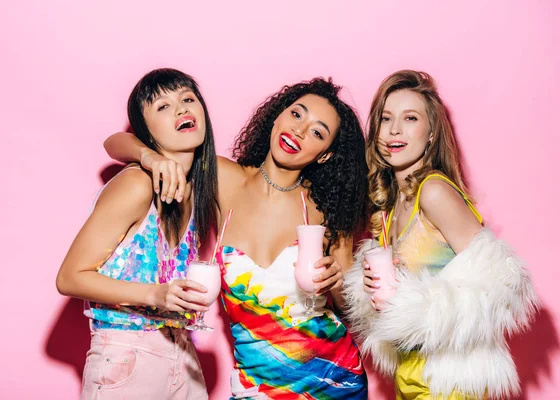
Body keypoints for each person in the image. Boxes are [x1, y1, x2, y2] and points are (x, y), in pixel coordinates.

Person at [105, 77, 370, 399]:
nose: (299, 131)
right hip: (256, 385)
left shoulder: (326, 209)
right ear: (278, 116)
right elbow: (114, 143)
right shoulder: (223, 178)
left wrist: (336, 282)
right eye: (297, 114)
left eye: (317, 132)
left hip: (334, 380)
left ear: (325, 155)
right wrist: (151, 158)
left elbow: (350, 308)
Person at [343, 70, 539, 399]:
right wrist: (370, 288)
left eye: (410, 118)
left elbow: (500, 281)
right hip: (411, 373)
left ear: (432, 132)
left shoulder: (433, 192)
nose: (394, 130)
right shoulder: (390, 206)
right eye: (386, 118)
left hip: (449, 381)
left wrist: (420, 307)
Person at [56, 68, 219, 399]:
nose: (182, 108)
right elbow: (69, 278)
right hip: (126, 357)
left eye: (188, 99)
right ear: (146, 131)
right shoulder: (137, 184)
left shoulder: (194, 192)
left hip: (183, 355)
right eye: (163, 106)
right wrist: (156, 295)